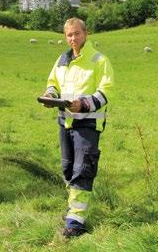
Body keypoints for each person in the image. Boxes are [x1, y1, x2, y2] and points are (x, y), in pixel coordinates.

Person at [43, 17, 114, 238]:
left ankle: (76, 221)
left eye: (77, 33)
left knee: (82, 170)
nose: (73, 38)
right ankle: (73, 208)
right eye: (69, 35)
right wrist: (50, 96)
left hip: (88, 123)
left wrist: (82, 104)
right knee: (67, 168)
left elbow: (106, 92)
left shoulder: (99, 60)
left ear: (86, 33)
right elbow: (53, 83)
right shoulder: (62, 60)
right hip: (65, 121)